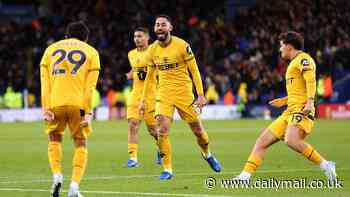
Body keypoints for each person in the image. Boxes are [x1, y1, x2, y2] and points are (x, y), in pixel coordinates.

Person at [235, 31, 337, 183]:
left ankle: (326, 165)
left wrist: (309, 102)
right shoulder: (293, 63)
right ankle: (244, 177)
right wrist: (284, 100)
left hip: (301, 109)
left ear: (289, 47)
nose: (280, 49)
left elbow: (310, 81)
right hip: (289, 111)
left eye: (281, 46)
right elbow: (299, 88)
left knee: (291, 140)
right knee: (261, 142)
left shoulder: (304, 59)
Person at [139, 15, 221, 180]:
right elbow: (149, 77)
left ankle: (207, 154)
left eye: (163, 24)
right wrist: (143, 100)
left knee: (198, 131)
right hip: (164, 94)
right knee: (162, 129)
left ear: (170, 28)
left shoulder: (182, 46)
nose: (160, 27)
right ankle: (167, 170)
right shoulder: (152, 50)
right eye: (157, 25)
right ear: (154, 29)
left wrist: (200, 95)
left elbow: (194, 70)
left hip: (184, 94)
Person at [40, 21, 100, 197]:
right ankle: (74, 187)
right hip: (79, 105)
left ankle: (57, 174)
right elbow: (91, 86)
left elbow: (45, 82)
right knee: (80, 143)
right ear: (86, 38)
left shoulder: (50, 50)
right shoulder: (91, 52)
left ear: (66, 35)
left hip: (56, 103)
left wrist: (46, 108)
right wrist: (88, 112)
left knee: (54, 138)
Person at [125, 27, 160, 167]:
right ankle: (133, 158)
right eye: (135, 36)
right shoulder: (131, 54)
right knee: (132, 125)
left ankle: (160, 148)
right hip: (135, 95)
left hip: (151, 95)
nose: (137, 39)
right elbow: (135, 67)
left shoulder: (154, 51)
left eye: (140, 36)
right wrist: (130, 74)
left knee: (152, 130)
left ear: (147, 38)